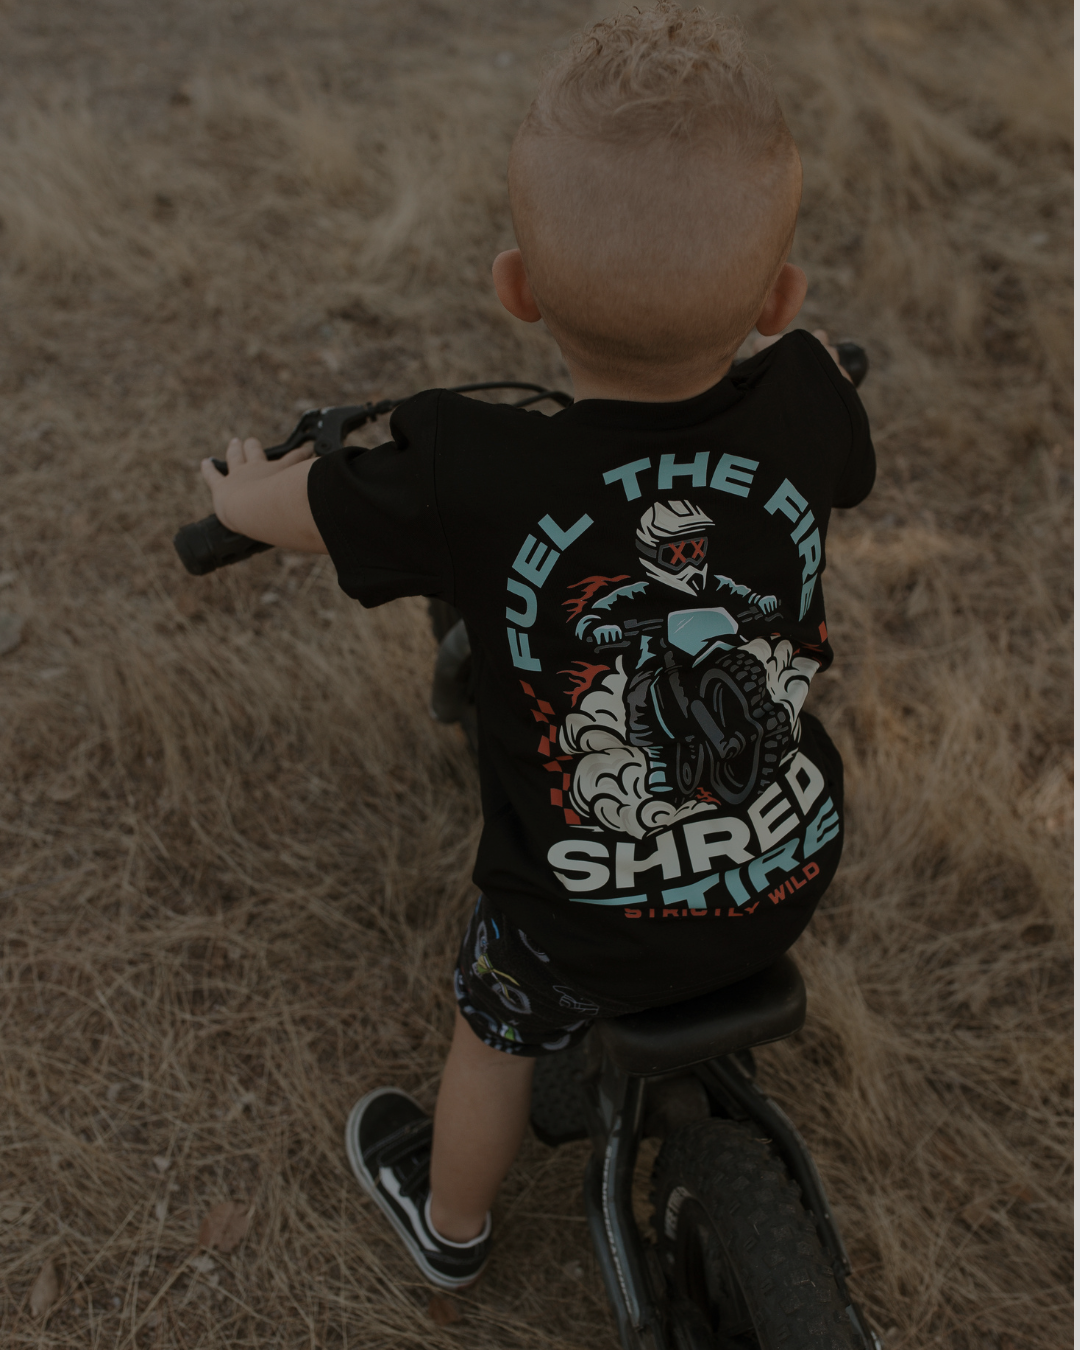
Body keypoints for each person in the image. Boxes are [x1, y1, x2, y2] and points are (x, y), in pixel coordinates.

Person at [197, 2, 874, 1291]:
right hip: (786, 862)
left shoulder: (468, 463)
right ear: (781, 298)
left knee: (492, 1031)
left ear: (515, 289)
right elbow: (828, 414)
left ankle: (448, 1226)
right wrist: (815, 364)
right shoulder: (810, 398)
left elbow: (304, 509)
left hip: (575, 917)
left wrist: (238, 492)